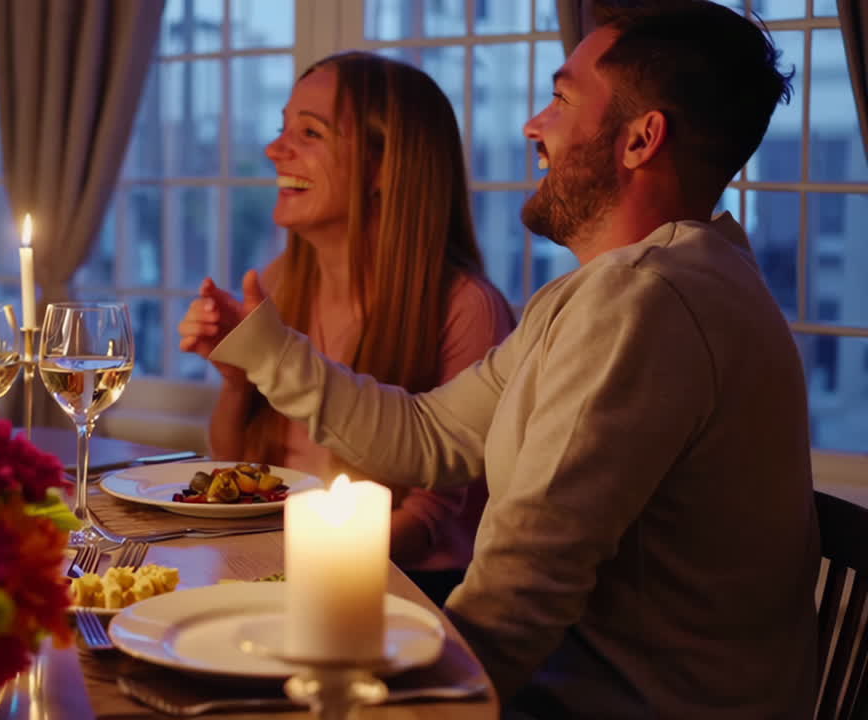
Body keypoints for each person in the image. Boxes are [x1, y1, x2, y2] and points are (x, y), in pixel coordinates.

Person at [180, 2, 818, 717]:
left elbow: (524, 584)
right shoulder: (618, 290)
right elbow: (426, 436)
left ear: (641, 140)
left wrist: (385, 705)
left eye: (560, 99)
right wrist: (263, 347)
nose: (532, 126)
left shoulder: (646, 299)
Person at [181, 52, 514, 603]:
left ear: (388, 167)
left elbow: (432, 522)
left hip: (404, 594)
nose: (274, 150)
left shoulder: (467, 308)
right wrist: (236, 379)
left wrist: (282, 564)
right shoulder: (280, 285)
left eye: (309, 132)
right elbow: (239, 468)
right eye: (281, 127)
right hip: (281, 572)